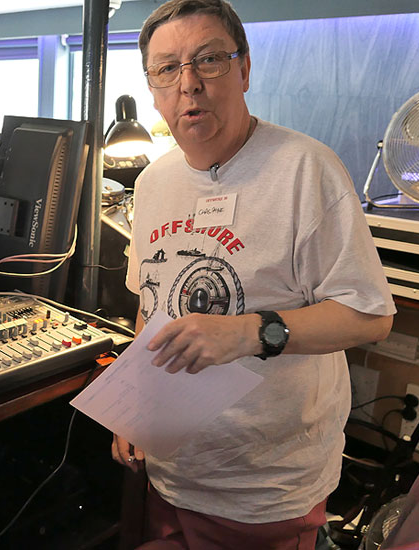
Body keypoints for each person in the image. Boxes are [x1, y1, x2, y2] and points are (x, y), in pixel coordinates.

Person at [112, 1, 396, 549]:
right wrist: (136, 408)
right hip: (172, 470)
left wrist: (248, 332)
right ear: (152, 89)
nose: (188, 84)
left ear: (243, 69)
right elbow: (151, 305)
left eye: (208, 60)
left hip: (266, 489)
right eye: (167, 69)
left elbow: (369, 316)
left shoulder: (306, 169)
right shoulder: (152, 183)